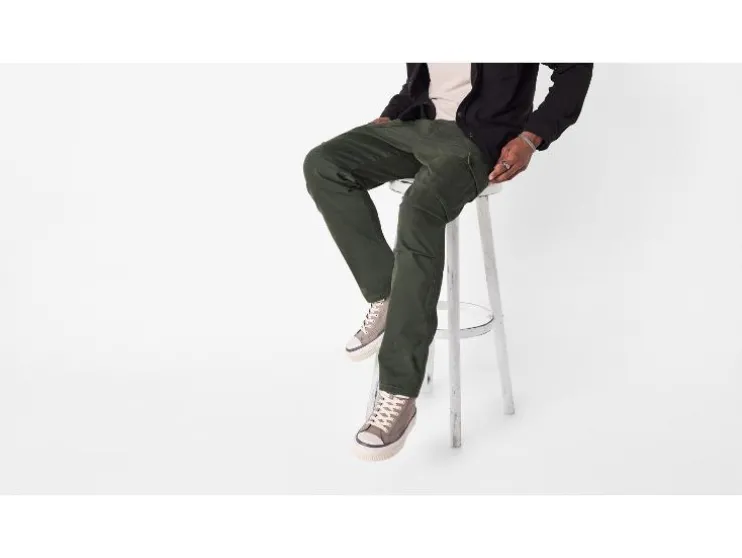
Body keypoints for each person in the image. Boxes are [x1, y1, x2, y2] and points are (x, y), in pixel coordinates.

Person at [304, 63, 593, 461]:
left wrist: (530, 137)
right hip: (415, 127)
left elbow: (575, 68)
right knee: (324, 164)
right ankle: (388, 294)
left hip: (476, 142)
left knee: (419, 208)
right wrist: (393, 114)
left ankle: (398, 393)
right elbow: (422, 82)